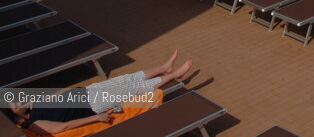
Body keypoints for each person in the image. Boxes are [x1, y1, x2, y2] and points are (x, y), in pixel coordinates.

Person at [8, 50, 193, 135]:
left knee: (128, 78)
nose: (18, 102)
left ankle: (164, 67)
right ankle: (176, 74)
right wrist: (96, 118)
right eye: (16, 106)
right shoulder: (34, 124)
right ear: (16, 117)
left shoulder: (32, 109)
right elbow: (63, 127)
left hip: (87, 92)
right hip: (93, 104)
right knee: (134, 88)